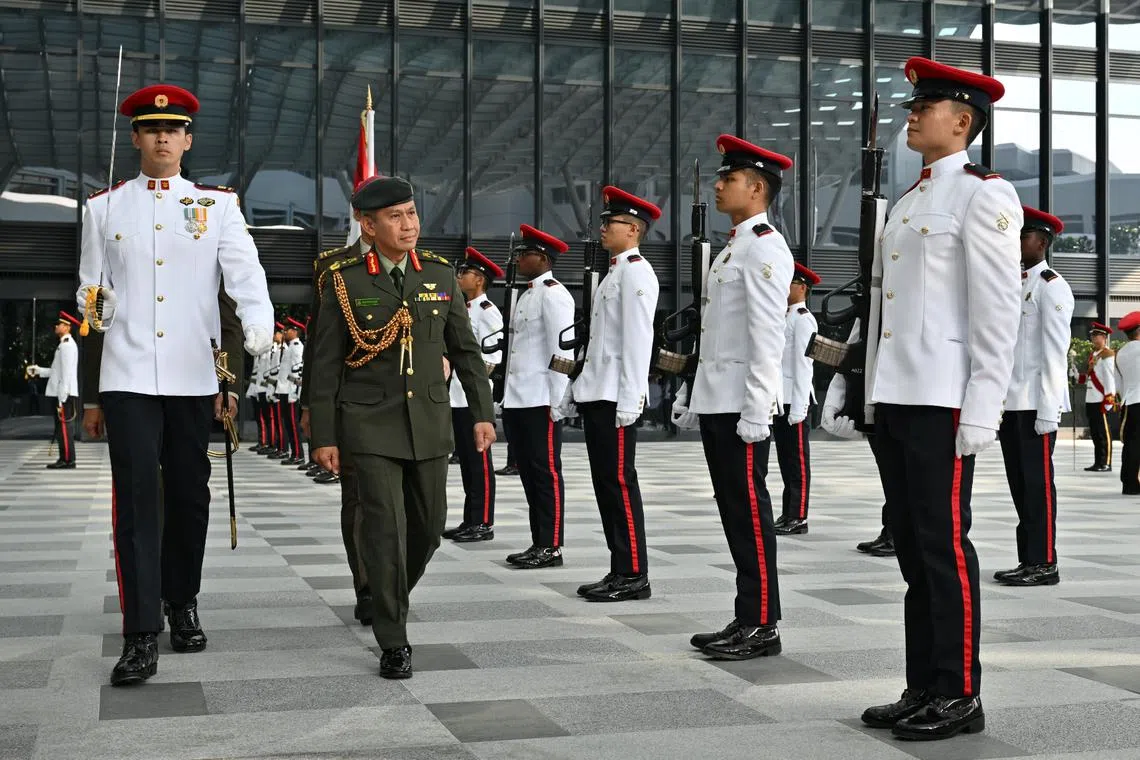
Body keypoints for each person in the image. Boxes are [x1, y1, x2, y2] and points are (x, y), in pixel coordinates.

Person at [76, 83, 273, 687]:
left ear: (187, 140)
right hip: (129, 375)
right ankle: (140, 632)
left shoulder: (216, 207)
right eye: (150, 128)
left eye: (173, 129)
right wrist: (94, 316)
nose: (162, 137)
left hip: (192, 374)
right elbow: (88, 295)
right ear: (134, 138)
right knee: (136, 500)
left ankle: (182, 600)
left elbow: (244, 273)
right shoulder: (103, 208)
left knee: (190, 496)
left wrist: (258, 327)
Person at [858, 58, 1021, 740]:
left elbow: (996, 309)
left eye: (925, 106)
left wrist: (985, 404)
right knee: (912, 548)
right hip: (898, 395)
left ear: (962, 121)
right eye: (911, 105)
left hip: (944, 399)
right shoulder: (907, 203)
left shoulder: (984, 196)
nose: (911, 115)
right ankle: (921, 682)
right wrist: (863, 394)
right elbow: (882, 308)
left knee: (943, 546)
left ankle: (959, 692)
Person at [309, 176, 495, 680]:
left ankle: (389, 591)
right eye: (395, 216)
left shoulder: (437, 273)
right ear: (368, 226)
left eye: (412, 213)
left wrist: (482, 412)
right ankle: (394, 638)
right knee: (385, 528)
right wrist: (323, 436)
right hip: (368, 423)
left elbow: (465, 351)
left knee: (430, 528)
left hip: (429, 420)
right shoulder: (345, 278)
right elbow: (323, 364)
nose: (409, 224)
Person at [671, 134, 793, 660]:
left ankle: (762, 623)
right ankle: (747, 614)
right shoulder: (734, 246)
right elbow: (717, 333)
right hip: (719, 399)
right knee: (732, 511)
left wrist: (757, 407)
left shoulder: (764, 245)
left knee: (749, 511)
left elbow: (769, 334)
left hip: (742, 404)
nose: (718, 185)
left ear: (757, 187)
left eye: (729, 178)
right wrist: (693, 391)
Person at [558, 186, 660, 602]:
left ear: (632, 229)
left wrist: (632, 398)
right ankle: (621, 568)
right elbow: (599, 342)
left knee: (619, 483)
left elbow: (638, 340)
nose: (602, 229)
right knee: (606, 485)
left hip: (616, 397)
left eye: (610, 223)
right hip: (598, 392)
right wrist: (576, 388)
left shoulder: (636, 273)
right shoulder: (616, 272)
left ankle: (634, 573)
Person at [298, 187, 385, 625]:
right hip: (352, 402)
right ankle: (368, 586)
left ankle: (394, 579)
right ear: (362, 218)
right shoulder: (332, 267)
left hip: (406, 405)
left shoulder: (423, 266)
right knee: (359, 501)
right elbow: (320, 344)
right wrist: (313, 404)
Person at [995, 206, 1073, 588]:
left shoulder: (1051, 285)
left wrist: (1049, 409)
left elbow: (1054, 352)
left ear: (1041, 243)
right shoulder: (1013, 283)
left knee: (1037, 487)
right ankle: (1028, 558)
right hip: (1011, 404)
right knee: (1019, 485)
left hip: (1035, 406)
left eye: (1023, 236)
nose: (1016, 242)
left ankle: (1044, 562)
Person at [499, 225, 576, 569]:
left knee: (545, 473)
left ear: (542, 258)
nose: (517, 260)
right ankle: (538, 540)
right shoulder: (528, 294)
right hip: (519, 398)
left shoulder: (554, 295)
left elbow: (561, 352)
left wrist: (559, 401)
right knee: (529, 473)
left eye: (523, 254)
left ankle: (551, 546)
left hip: (542, 399)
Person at [442, 246, 504, 543]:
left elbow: (493, 359)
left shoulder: (488, 313)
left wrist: (475, 388)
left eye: (464, 273)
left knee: (479, 462)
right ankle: (470, 518)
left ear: (478, 279)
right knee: (467, 461)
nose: (459, 277)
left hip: (473, 398)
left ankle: (483, 521)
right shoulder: (464, 309)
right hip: (457, 395)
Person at [774, 264, 819, 536]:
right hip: (782, 398)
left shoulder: (803, 319)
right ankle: (788, 512)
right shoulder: (783, 316)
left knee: (797, 463)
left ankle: (799, 516)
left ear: (802, 287)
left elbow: (804, 365)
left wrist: (800, 407)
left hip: (796, 400)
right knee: (785, 460)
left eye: (790, 283)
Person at [27, 312, 81, 469]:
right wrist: (38, 370)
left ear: (66, 327)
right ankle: (64, 458)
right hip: (61, 393)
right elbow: (55, 371)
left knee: (64, 428)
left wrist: (62, 397)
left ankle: (68, 460)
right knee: (61, 428)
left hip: (63, 394)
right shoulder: (63, 345)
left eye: (59, 325)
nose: (56, 327)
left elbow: (66, 373)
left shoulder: (67, 346)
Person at [1078, 323, 1116, 472]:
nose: (1093, 338)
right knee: (1095, 432)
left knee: (1103, 433)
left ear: (1104, 337)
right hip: (1091, 398)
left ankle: (1106, 462)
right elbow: (1089, 377)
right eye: (1092, 335)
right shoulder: (1093, 355)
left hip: (1101, 398)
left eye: (1096, 335)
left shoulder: (1107, 355)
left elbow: (1109, 378)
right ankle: (1098, 462)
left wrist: (1109, 399)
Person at [1115, 311, 1140, 495]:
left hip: (1129, 403)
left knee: (1131, 444)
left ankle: (1129, 483)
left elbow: (1118, 384)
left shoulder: (1120, 353)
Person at [276, 320, 306, 466]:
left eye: (287, 330)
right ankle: (294, 453)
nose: (285, 332)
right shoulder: (290, 347)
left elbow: (297, 370)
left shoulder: (296, 347)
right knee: (288, 423)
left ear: (295, 331)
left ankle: (298, 454)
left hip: (290, 392)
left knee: (293, 425)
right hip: (285, 390)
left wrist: (295, 393)